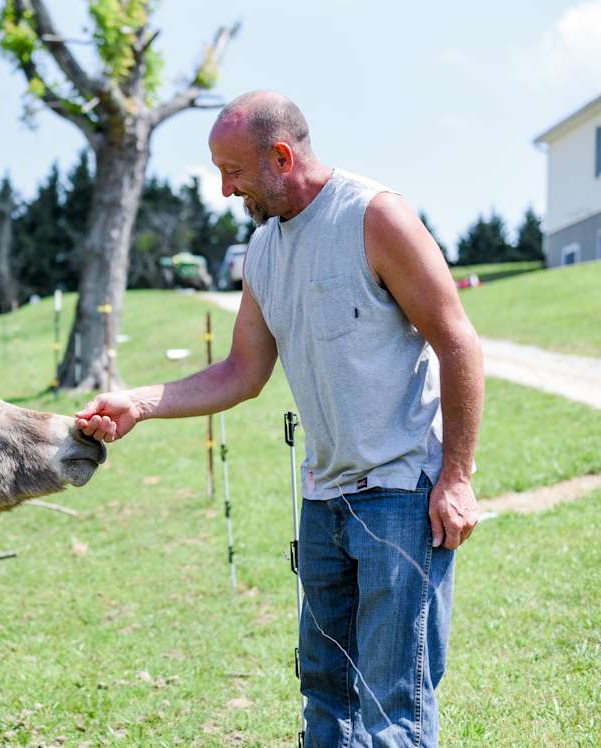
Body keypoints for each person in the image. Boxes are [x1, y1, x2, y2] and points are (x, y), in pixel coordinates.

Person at [75, 90, 482, 747]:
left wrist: (457, 477)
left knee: (391, 710)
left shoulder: (376, 217)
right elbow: (242, 371)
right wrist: (140, 403)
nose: (223, 189)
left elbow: (457, 342)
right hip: (323, 502)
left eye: (231, 171)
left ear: (283, 156)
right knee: (325, 697)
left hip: (400, 498)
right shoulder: (264, 250)